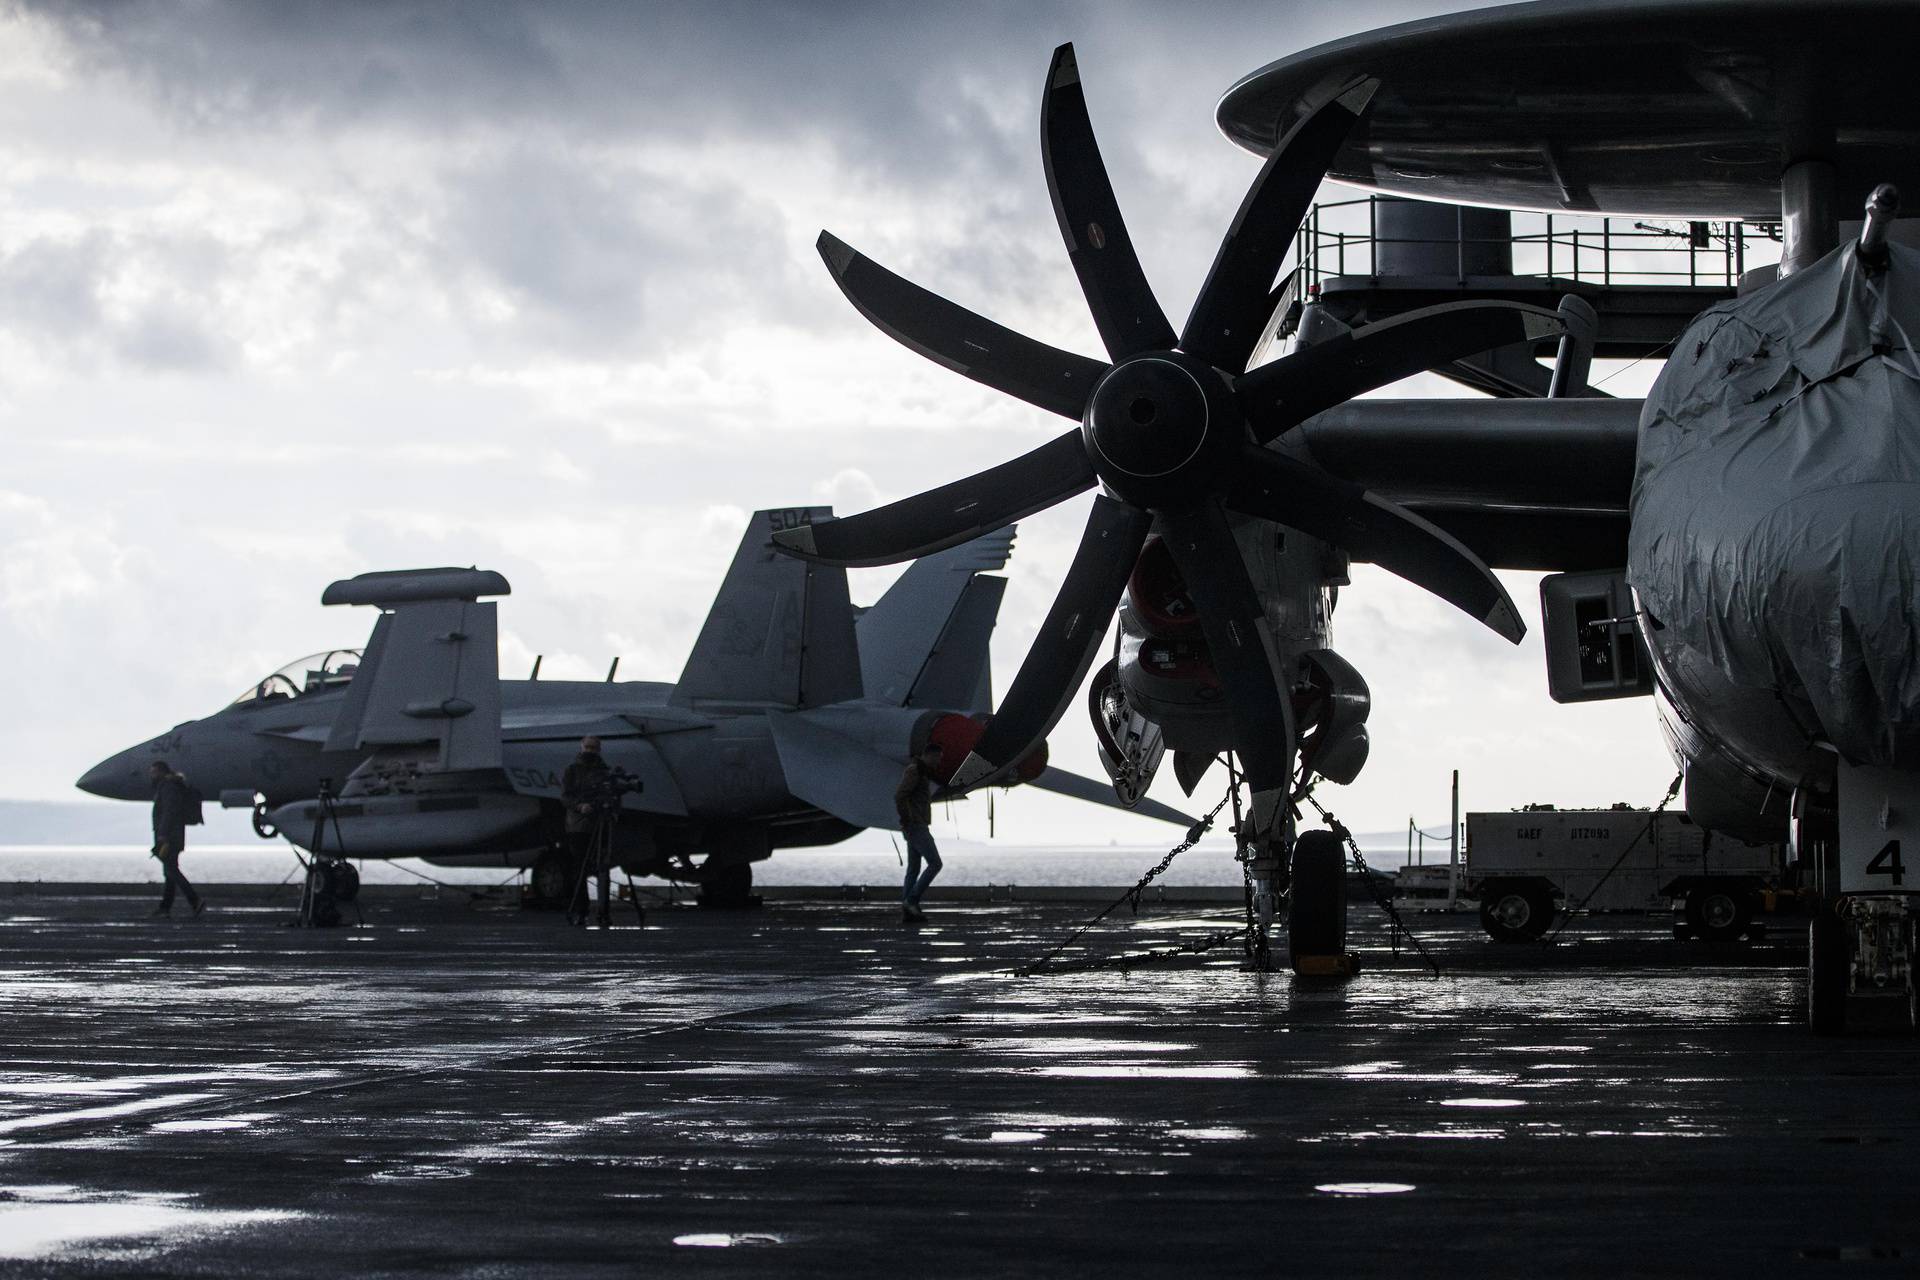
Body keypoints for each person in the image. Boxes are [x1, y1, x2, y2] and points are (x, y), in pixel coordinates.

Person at [560, 735, 612, 926]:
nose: (590, 751)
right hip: (578, 825)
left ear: (599, 749)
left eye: (593, 748)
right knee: (579, 869)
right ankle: (581, 910)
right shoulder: (572, 770)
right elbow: (565, 797)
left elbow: (611, 795)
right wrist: (580, 806)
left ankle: (603, 910)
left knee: (603, 867)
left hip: (600, 823)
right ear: (581, 747)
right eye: (587, 747)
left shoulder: (605, 772)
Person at [895, 744, 945, 921]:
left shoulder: (920, 771)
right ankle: (911, 900)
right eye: (938, 757)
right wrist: (908, 820)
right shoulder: (915, 771)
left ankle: (908, 911)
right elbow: (900, 795)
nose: (939, 761)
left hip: (914, 825)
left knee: (914, 868)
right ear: (929, 756)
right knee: (935, 863)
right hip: (916, 826)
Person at [148, 760, 204, 918]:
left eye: (153, 772)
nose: (151, 776)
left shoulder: (168, 787)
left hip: (169, 837)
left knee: (171, 870)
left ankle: (194, 900)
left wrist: (162, 835)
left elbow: (169, 812)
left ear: (160, 772)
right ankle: (165, 908)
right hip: (174, 836)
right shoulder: (171, 786)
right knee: (169, 872)